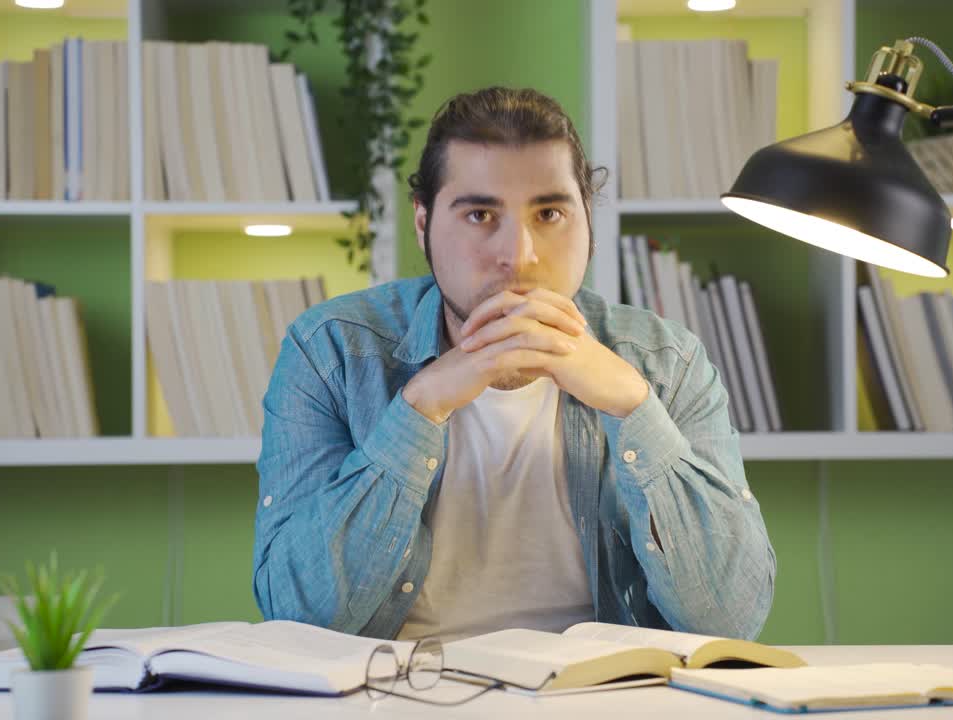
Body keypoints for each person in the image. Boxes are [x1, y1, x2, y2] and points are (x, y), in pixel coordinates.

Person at [253, 87, 775, 642]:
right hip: (398, 696)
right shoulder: (330, 350)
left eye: (549, 212)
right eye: (480, 214)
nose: (520, 255)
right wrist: (420, 407)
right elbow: (296, 618)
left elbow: (731, 619)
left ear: (588, 221)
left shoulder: (665, 363)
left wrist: (633, 406)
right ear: (423, 223)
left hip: (597, 698)